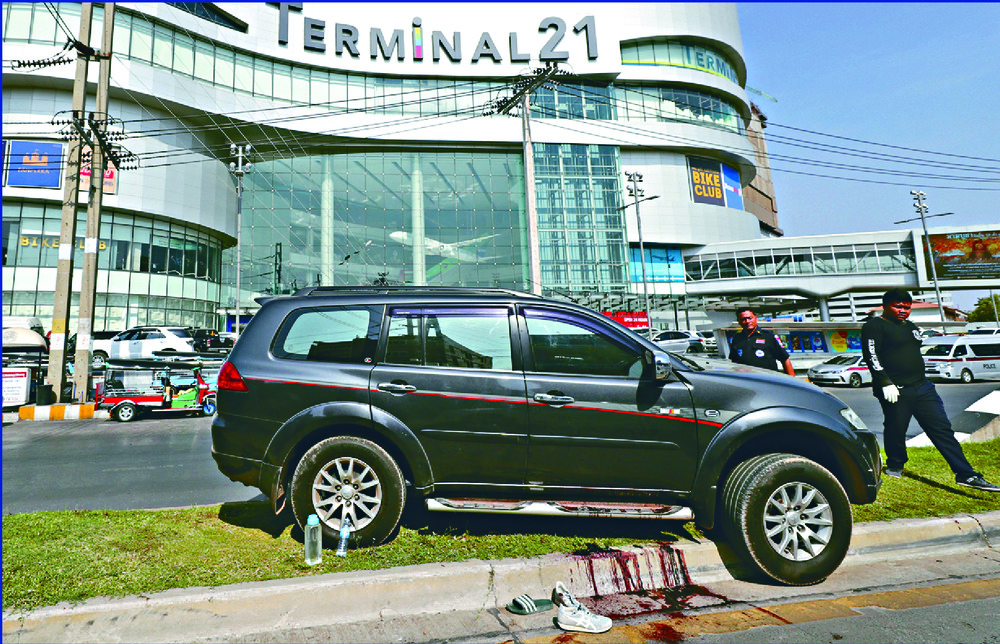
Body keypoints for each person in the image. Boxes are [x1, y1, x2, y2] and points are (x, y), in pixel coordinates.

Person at [862, 288, 999, 492]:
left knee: (942, 429)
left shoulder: (910, 326)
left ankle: (966, 474)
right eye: (898, 306)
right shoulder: (874, 326)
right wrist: (885, 382)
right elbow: (871, 356)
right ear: (885, 306)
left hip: (923, 387)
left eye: (907, 308)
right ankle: (896, 464)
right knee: (896, 428)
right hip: (895, 389)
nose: (903, 311)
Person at [729, 307, 795, 376]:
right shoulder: (737, 338)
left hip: (768, 379)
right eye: (743, 319)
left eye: (750, 318)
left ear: (756, 318)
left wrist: (793, 382)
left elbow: (785, 359)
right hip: (747, 380)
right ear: (738, 321)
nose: (747, 321)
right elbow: (735, 362)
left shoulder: (769, 336)